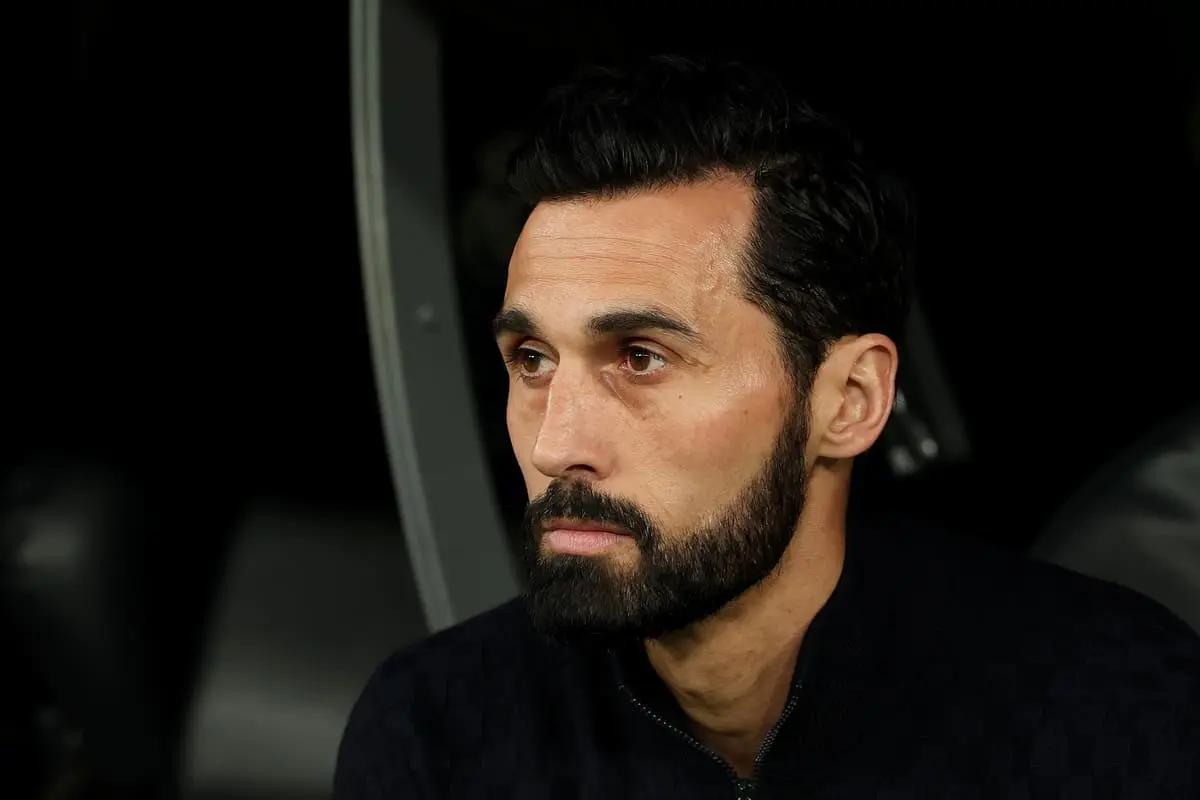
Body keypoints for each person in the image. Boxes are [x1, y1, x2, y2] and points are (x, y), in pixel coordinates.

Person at [334, 56, 1200, 798]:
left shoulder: (1109, 708)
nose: (557, 444)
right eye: (532, 359)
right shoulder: (441, 730)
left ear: (851, 399)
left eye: (640, 358)